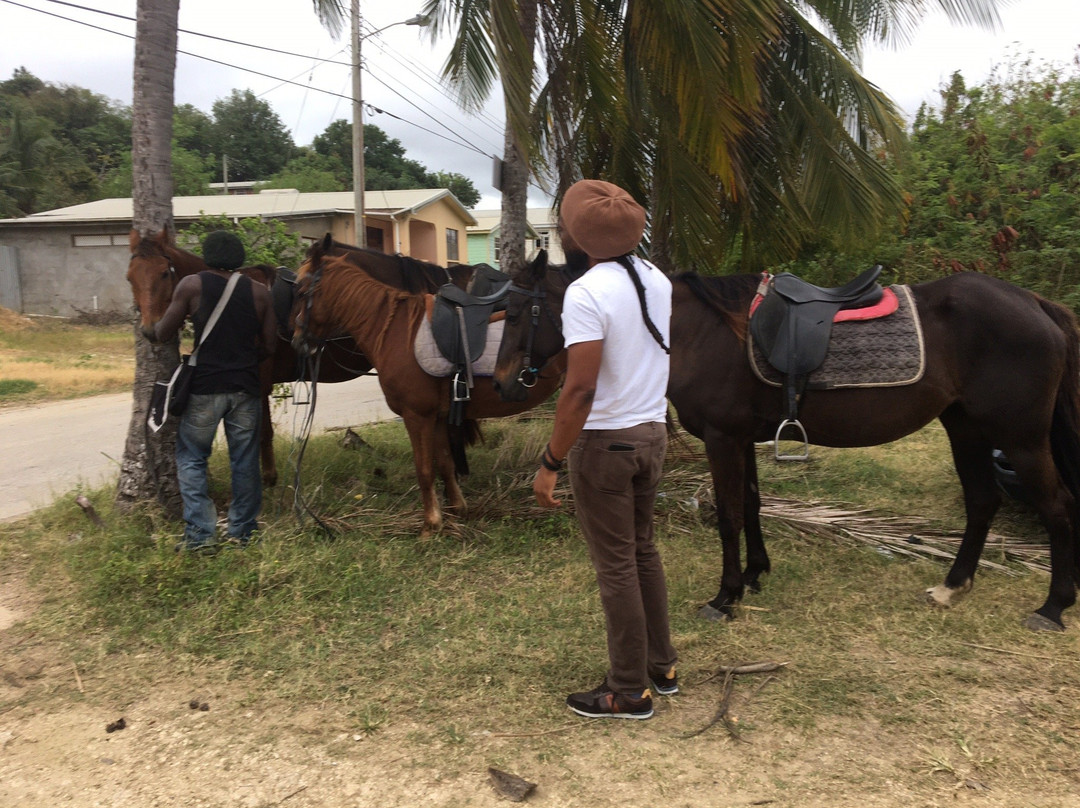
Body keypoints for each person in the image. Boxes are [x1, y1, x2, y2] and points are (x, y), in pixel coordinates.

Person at [534, 179, 677, 720]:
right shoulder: (656, 278)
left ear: (575, 234)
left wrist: (549, 463)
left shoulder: (586, 292)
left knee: (616, 564)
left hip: (606, 446)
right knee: (643, 551)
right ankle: (660, 667)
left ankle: (627, 690)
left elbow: (581, 389)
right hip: (651, 434)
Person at [153, 230, 276, 552]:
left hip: (205, 387)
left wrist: (147, 327)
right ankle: (244, 532)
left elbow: (164, 333)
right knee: (245, 460)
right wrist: (244, 359)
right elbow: (271, 346)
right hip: (246, 388)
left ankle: (200, 537)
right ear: (239, 259)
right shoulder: (260, 292)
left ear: (207, 257)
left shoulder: (192, 285)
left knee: (193, 458)